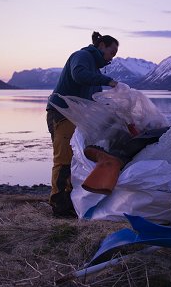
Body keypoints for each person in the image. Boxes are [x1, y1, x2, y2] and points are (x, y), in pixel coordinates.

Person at [46, 31, 119, 217]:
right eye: (112, 52)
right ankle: (59, 206)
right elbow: (78, 75)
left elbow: (96, 99)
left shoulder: (94, 69)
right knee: (63, 159)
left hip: (75, 117)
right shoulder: (82, 56)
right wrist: (108, 81)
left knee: (75, 160)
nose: (112, 57)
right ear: (101, 45)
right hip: (61, 114)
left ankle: (69, 201)